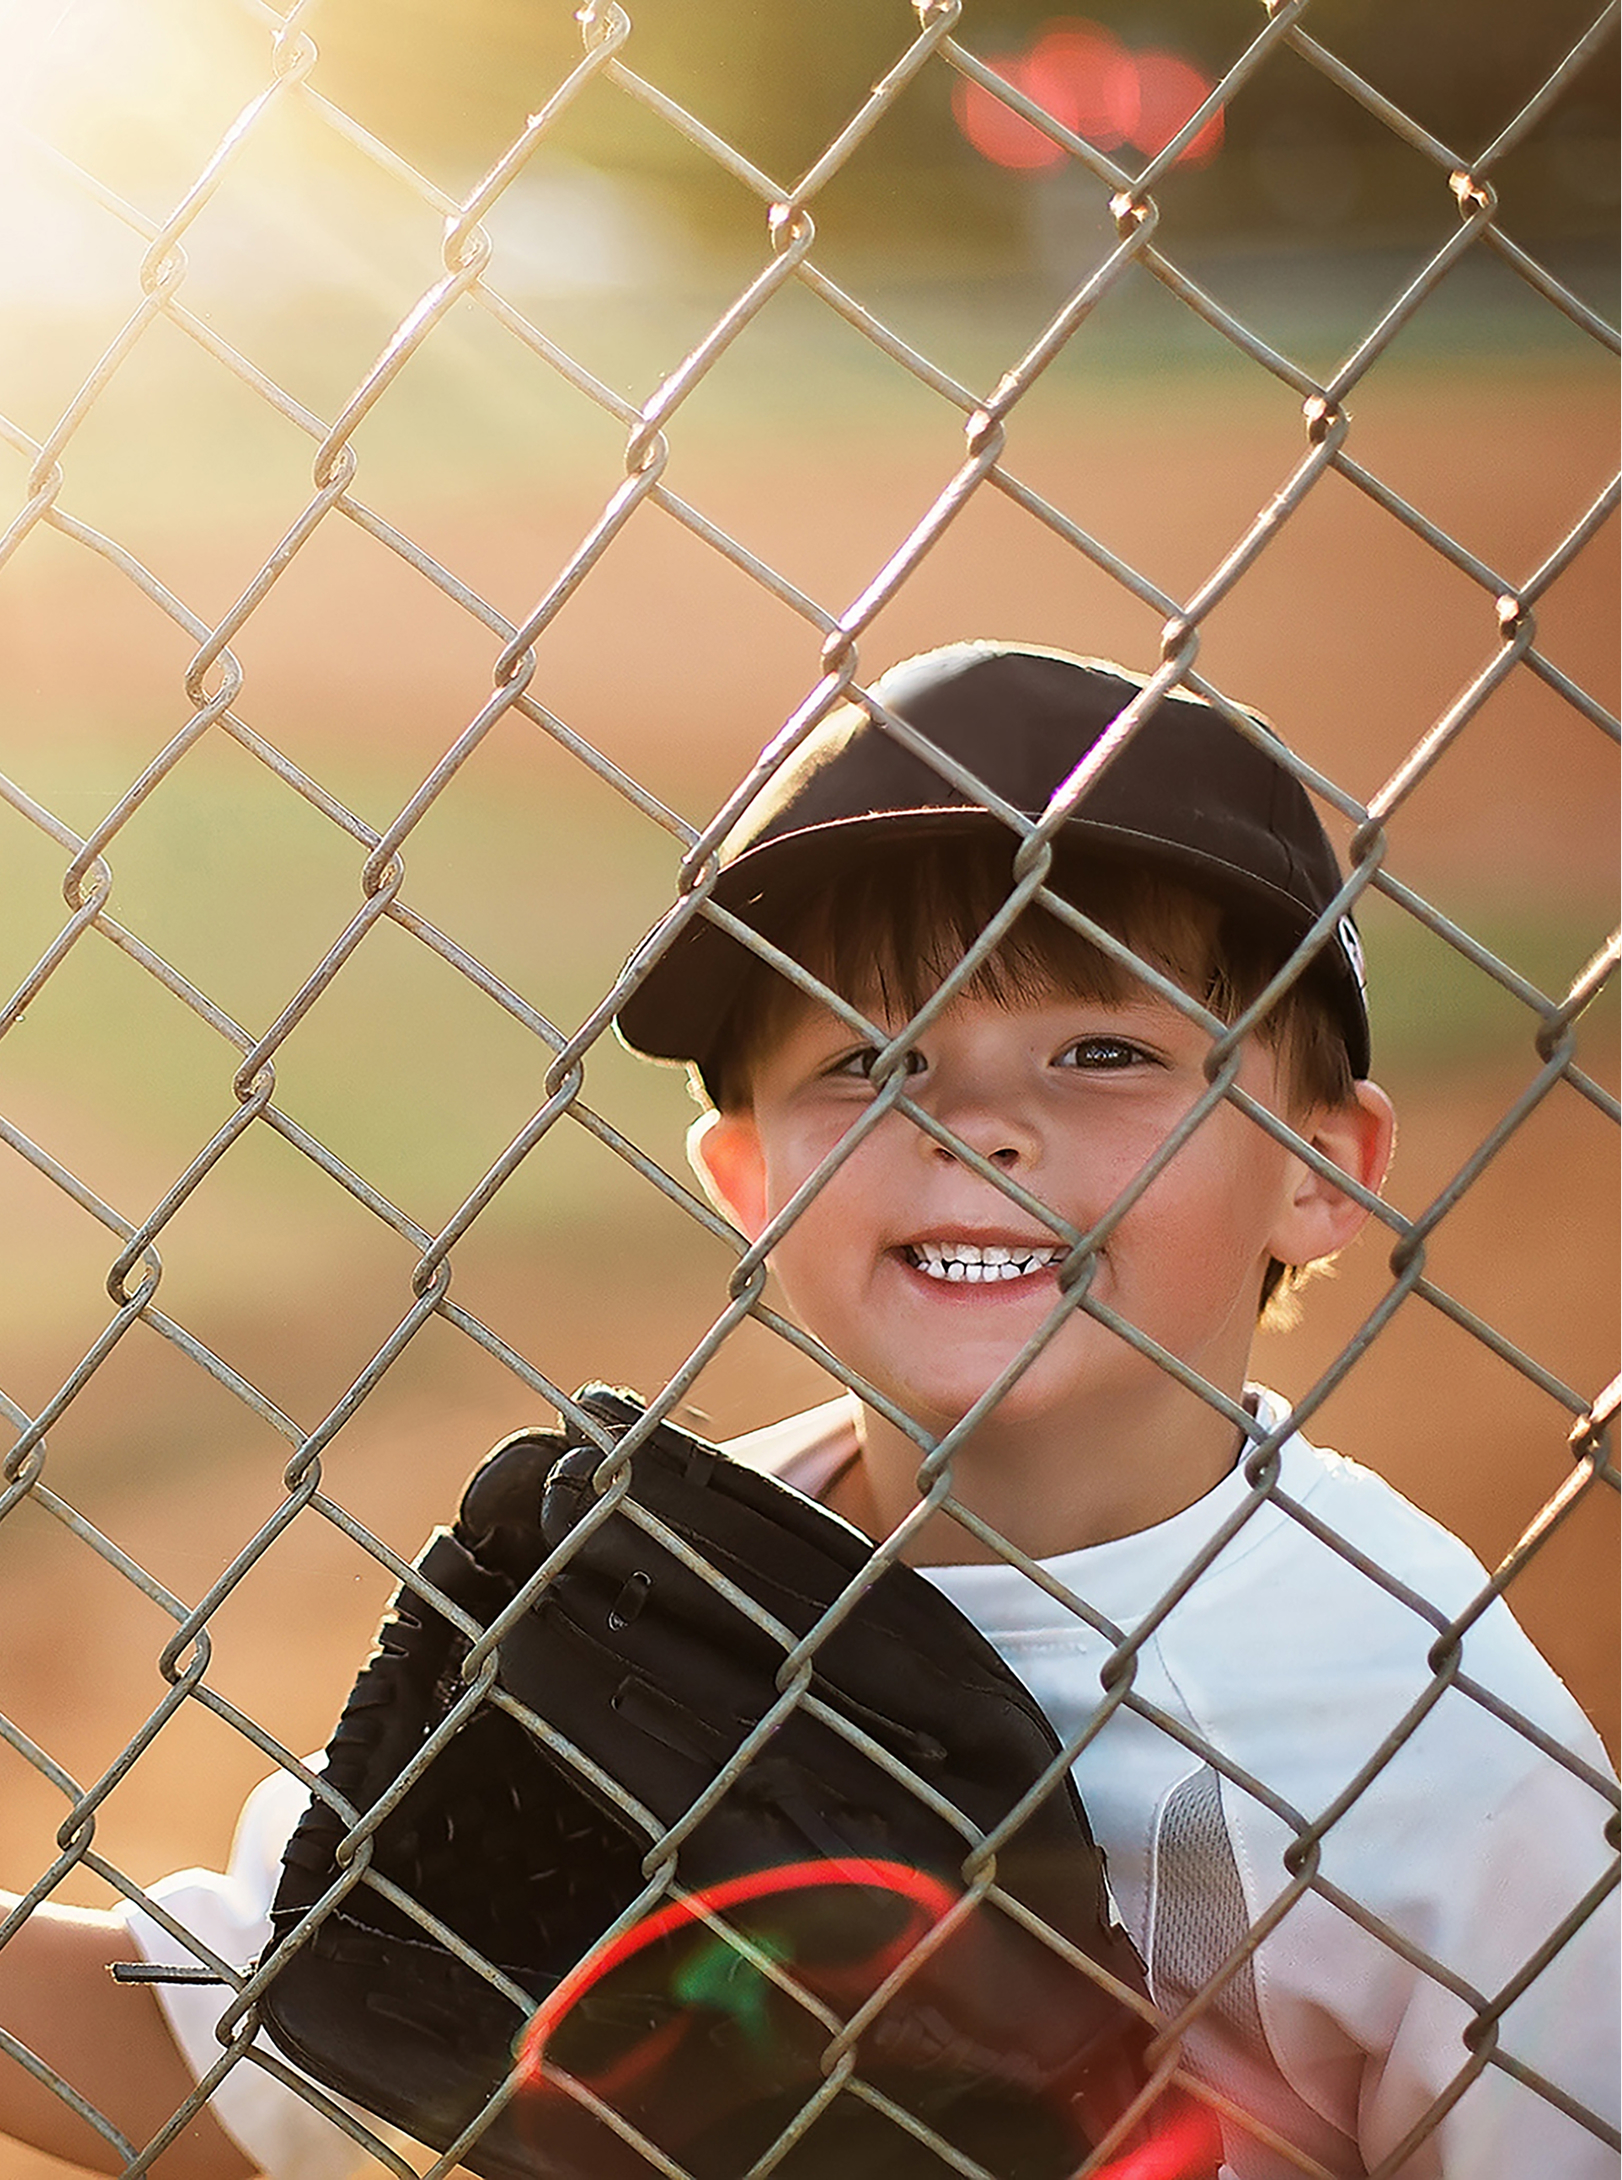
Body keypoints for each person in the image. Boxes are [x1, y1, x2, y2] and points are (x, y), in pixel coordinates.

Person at [2, 643, 1615, 2180]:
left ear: (1324, 1165)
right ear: (750, 1179)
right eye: (872, 1062)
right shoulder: (632, 1602)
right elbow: (255, 2040)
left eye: (1104, 1048)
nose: (979, 1124)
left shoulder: (1429, 1744)